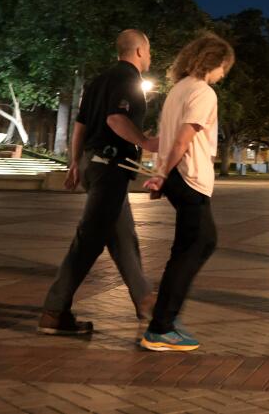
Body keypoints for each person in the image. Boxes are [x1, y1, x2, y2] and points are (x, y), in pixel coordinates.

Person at [39, 29, 158, 335]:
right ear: (140, 51)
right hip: (110, 167)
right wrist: (147, 142)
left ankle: (146, 302)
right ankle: (54, 310)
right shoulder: (128, 79)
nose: (150, 57)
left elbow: (80, 125)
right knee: (89, 238)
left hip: (93, 164)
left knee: (123, 238)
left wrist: (74, 164)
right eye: (149, 51)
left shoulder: (97, 81)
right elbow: (115, 120)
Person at [140, 32, 234, 352]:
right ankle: (161, 326)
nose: (224, 74)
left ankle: (166, 317)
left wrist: (161, 174)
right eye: (225, 67)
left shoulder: (177, 90)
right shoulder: (203, 92)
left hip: (177, 176)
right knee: (199, 243)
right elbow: (181, 139)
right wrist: (162, 174)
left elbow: (168, 138)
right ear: (216, 62)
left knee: (190, 247)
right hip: (189, 176)